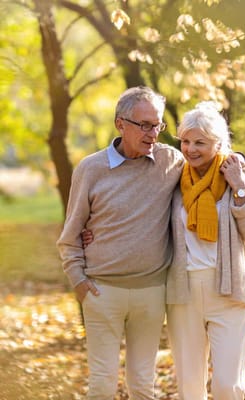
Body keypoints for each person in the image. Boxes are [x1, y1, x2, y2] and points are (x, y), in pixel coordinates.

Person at [56, 86, 185, 400]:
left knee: (143, 386)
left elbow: (207, 158)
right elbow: (71, 235)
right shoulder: (91, 169)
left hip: (152, 294)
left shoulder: (171, 162)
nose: (153, 133)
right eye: (144, 125)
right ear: (120, 124)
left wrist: (239, 162)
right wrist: (79, 281)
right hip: (102, 293)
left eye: (157, 125)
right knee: (101, 385)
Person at [166, 101, 245, 400]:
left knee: (227, 385)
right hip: (183, 292)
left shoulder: (242, 175)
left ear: (219, 143)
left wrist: (238, 188)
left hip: (229, 290)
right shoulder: (175, 178)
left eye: (200, 142)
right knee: (189, 387)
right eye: (185, 141)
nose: (190, 149)